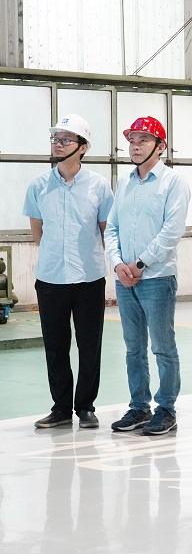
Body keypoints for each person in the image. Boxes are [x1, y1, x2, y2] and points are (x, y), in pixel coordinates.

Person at [23, 114, 114, 429]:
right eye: (55, 139)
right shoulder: (39, 185)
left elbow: (106, 231)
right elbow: (38, 232)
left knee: (90, 345)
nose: (58, 145)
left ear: (83, 147)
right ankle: (61, 409)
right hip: (51, 278)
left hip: (89, 277)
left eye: (66, 140)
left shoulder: (99, 186)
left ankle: (85, 407)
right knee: (55, 346)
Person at [105, 116, 191, 435]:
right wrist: (118, 264)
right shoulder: (125, 182)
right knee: (133, 348)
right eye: (132, 140)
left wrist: (139, 265)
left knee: (163, 347)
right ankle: (139, 407)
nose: (135, 146)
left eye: (143, 140)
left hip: (156, 278)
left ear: (160, 146)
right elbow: (112, 228)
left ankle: (166, 409)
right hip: (124, 278)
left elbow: (171, 231)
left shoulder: (173, 182)